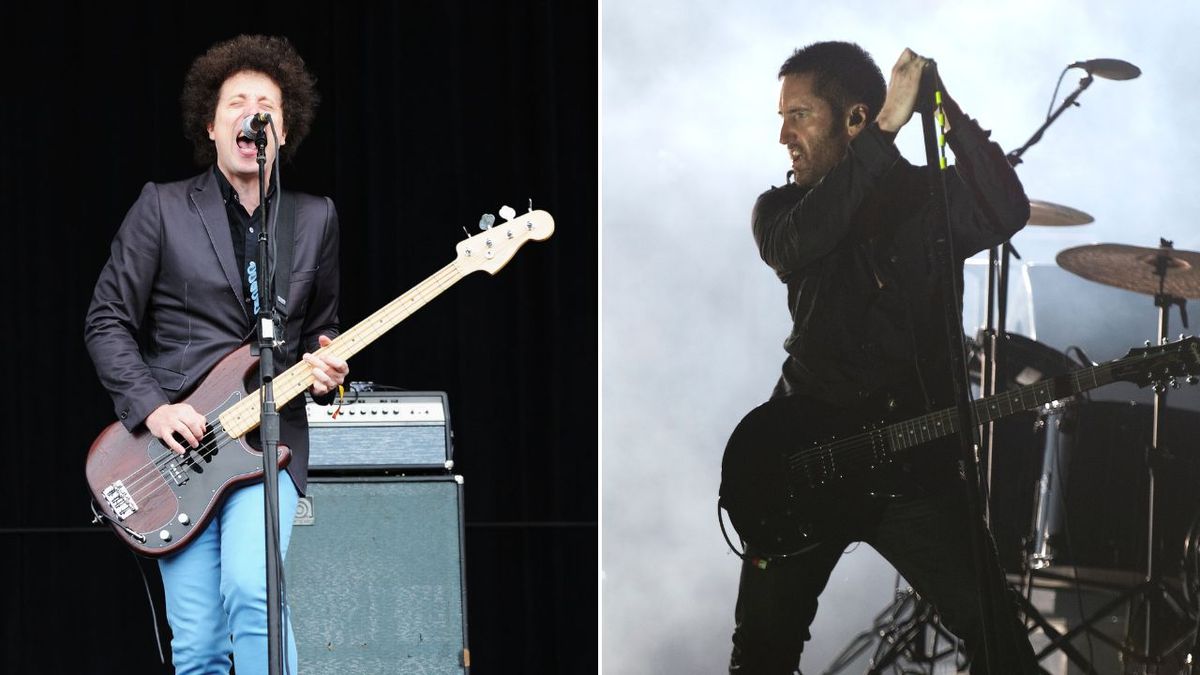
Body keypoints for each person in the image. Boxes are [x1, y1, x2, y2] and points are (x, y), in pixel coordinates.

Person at [726, 42, 1040, 673]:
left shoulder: (926, 199)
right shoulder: (782, 209)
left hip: (913, 461)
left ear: (854, 118)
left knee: (999, 641)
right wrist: (891, 128)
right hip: (802, 457)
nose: (783, 134)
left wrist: (942, 105)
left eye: (799, 114)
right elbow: (801, 245)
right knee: (763, 652)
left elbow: (1007, 210)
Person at [84, 34, 348, 675]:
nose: (252, 112)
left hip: (268, 444)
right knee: (199, 646)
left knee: (254, 595)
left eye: (267, 104)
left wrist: (328, 373)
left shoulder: (314, 219)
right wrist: (153, 410)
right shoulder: (163, 207)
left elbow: (322, 332)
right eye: (237, 101)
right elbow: (107, 320)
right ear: (212, 123)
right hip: (182, 451)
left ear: (283, 130)